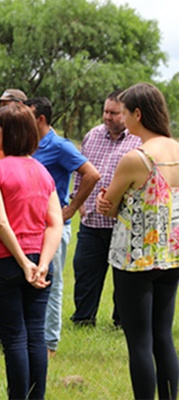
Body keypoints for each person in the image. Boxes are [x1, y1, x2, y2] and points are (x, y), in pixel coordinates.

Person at [96, 82, 179, 400]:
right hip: (171, 256)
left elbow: (111, 205)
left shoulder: (136, 158)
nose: (122, 118)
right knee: (163, 337)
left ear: (138, 114)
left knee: (140, 341)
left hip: (136, 258)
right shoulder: (175, 149)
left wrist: (108, 203)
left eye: (125, 111)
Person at [0, 103, 63, 399]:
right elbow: (55, 223)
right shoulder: (43, 172)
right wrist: (42, 263)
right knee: (35, 336)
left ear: (9, 132)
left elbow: (1, 222)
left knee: (14, 337)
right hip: (40, 262)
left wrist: (22, 262)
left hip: (2, 263)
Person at [25, 97, 100, 356]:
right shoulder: (27, 144)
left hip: (52, 227)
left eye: (28, 116)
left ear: (41, 119)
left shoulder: (59, 146)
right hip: (28, 225)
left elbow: (91, 174)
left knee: (51, 283)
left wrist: (70, 207)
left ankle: (49, 344)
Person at [70, 90, 141, 327]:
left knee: (124, 278)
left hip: (123, 224)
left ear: (127, 114)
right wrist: (80, 206)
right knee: (85, 272)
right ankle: (83, 319)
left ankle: (121, 322)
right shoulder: (92, 136)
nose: (108, 117)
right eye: (105, 111)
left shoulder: (138, 140)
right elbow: (80, 175)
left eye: (114, 113)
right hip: (91, 223)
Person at [0, 88, 28, 166]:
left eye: (5, 105)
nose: (1, 110)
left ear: (21, 105)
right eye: (1, 106)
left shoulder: (33, 136)